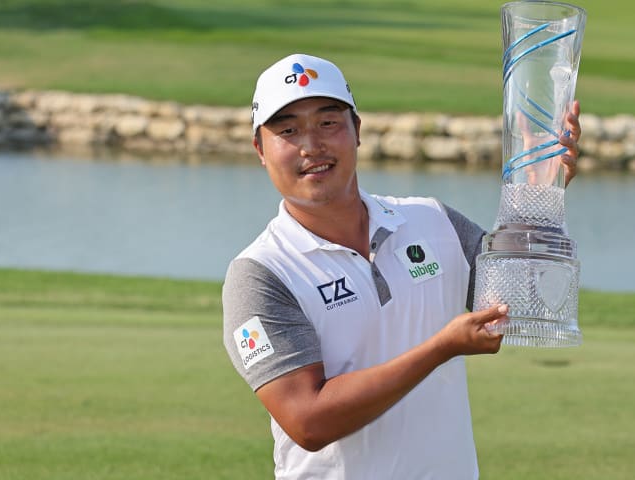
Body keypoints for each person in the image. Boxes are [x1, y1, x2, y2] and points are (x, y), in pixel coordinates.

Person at [222, 53, 581, 479]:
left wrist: (536, 199)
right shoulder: (261, 273)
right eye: (287, 130)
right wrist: (440, 348)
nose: (311, 145)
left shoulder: (433, 221)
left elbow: (525, 300)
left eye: (328, 122)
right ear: (260, 149)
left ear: (357, 131)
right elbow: (308, 420)